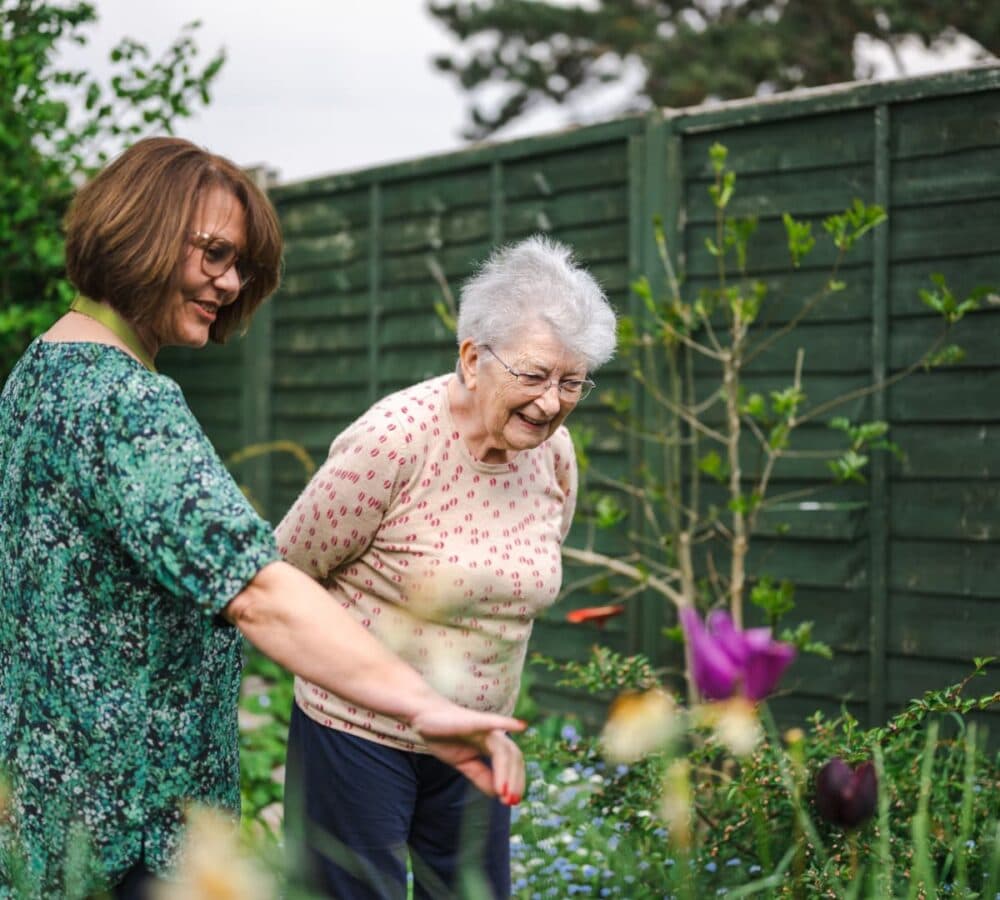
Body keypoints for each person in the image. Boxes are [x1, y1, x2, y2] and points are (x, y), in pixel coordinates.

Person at [0, 137, 526, 900]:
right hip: (127, 832)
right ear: (137, 229)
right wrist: (423, 704)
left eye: (241, 263)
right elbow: (257, 592)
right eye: (212, 253)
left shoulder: (38, 372)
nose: (230, 282)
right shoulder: (126, 404)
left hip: (45, 814)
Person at [276, 235, 618, 899]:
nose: (552, 402)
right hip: (357, 737)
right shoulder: (393, 441)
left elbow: (525, 572)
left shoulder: (554, 455)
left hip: (474, 745)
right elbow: (285, 570)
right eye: (534, 375)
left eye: (571, 382)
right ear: (471, 358)